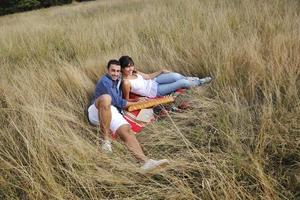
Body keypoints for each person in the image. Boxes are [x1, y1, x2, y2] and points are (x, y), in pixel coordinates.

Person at [87, 59, 169, 171]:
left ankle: (145, 162)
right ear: (107, 70)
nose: (115, 73)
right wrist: (137, 102)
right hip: (97, 110)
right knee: (107, 98)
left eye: (117, 71)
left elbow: (133, 78)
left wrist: (136, 99)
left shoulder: (119, 79)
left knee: (127, 130)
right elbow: (117, 101)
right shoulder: (104, 81)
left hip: (112, 111)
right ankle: (105, 141)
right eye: (113, 71)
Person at [119, 55, 212, 101]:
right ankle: (200, 82)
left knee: (175, 75)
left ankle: (191, 79)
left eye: (132, 65)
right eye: (127, 67)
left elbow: (147, 77)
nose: (130, 68)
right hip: (155, 91)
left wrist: (161, 71)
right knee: (182, 83)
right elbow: (126, 100)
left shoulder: (134, 72)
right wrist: (138, 99)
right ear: (122, 69)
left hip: (154, 81)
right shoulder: (126, 82)